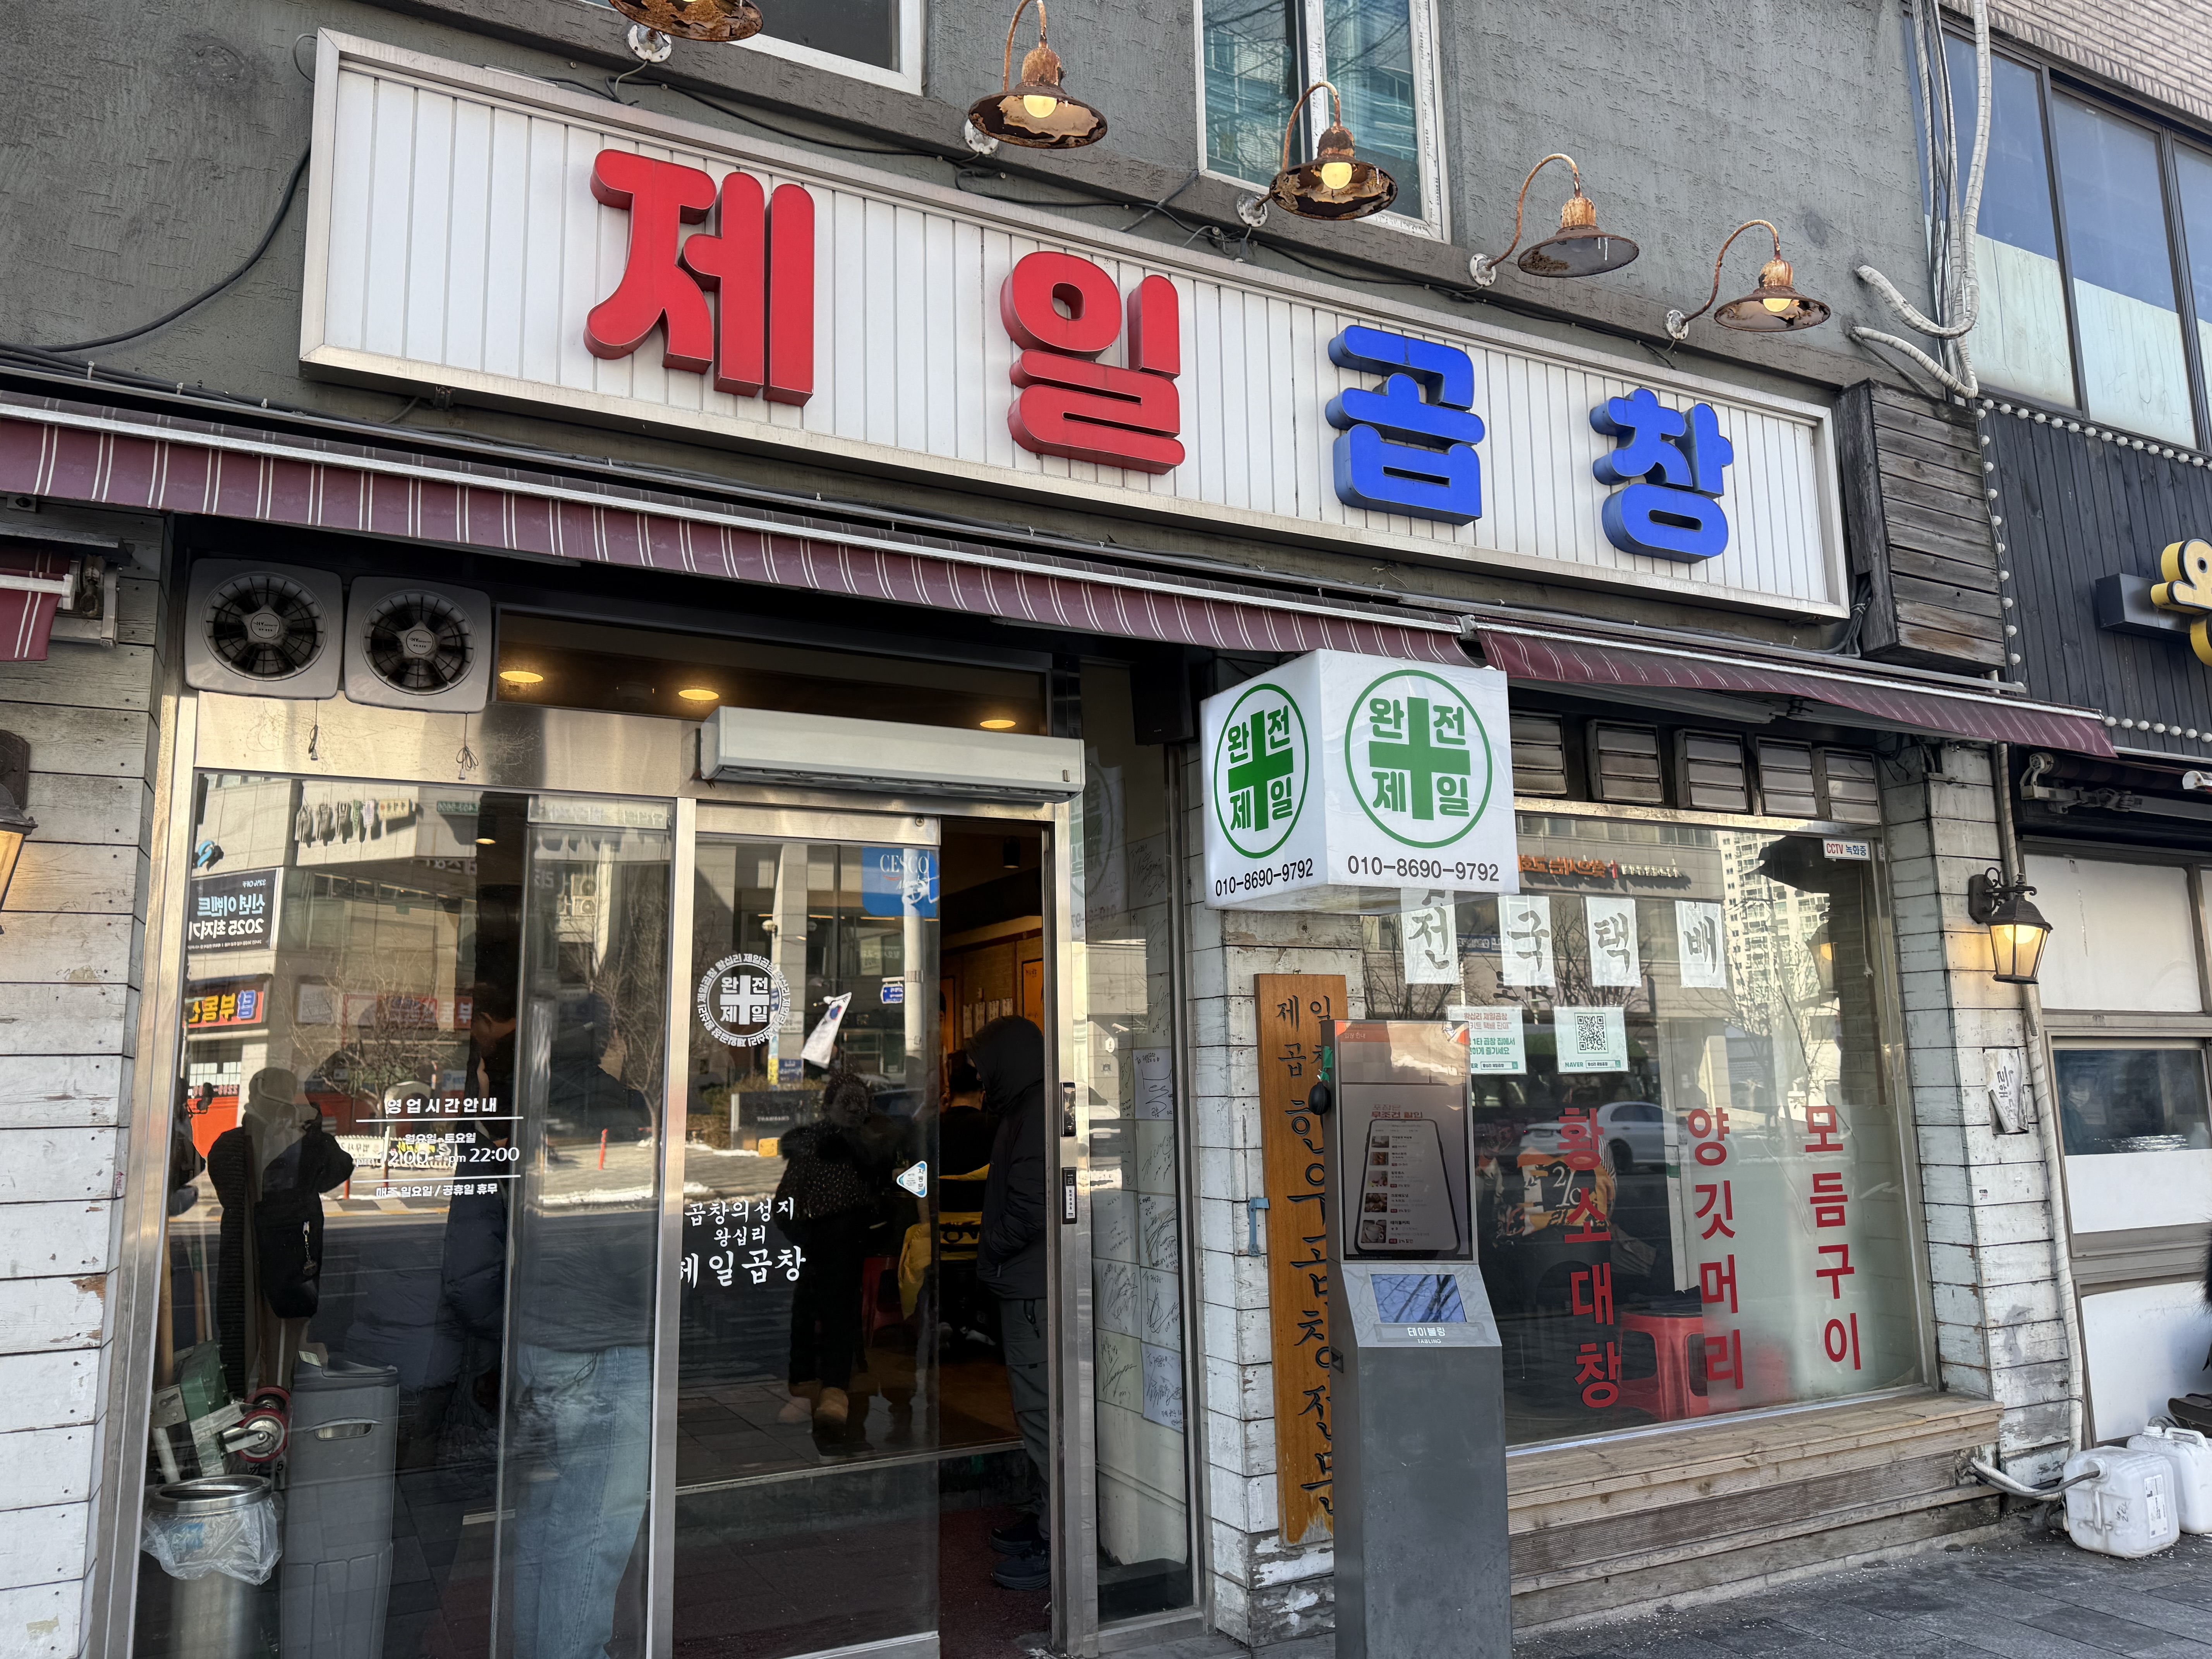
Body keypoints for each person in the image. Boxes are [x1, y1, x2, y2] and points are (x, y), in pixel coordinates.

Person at [970, 1016, 1051, 1592]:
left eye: (983, 1067)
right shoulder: (1028, 1105)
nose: (978, 1078)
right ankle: (1047, 1518)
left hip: (1030, 1292)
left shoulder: (1037, 1111)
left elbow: (1032, 1207)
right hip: (1025, 1285)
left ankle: (1057, 1540)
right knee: (1037, 1412)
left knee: (1043, 1414)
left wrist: (989, 1250)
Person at [775, 1068, 899, 1432]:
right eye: (846, 1104)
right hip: (824, 1239)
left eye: (858, 1104)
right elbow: (785, 1202)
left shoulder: (869, 1145)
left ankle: (826, 1388)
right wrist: (805, 1235)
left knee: (829, 1306)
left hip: (847, 1239)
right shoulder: (818, 1144)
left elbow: (886, 1190)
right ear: (829, 1106)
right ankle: (818, 1387)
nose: (852, 1111)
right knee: (817, 1307)